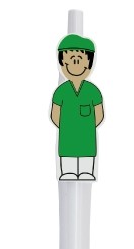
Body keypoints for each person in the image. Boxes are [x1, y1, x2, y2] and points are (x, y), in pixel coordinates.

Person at [51, 34, 104, 180]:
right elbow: (55, 114)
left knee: (87, 157)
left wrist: (87, 126)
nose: (75, 63)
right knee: (68, 158)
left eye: (80, 59)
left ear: (89, 63)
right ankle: (67, 171)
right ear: (62, 63)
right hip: (67, 135)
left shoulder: (93, 91)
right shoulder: (61, 91)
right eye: (70, 59)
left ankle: (87, 171)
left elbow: (99, 114)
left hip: (87, 135)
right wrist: (67, 126)